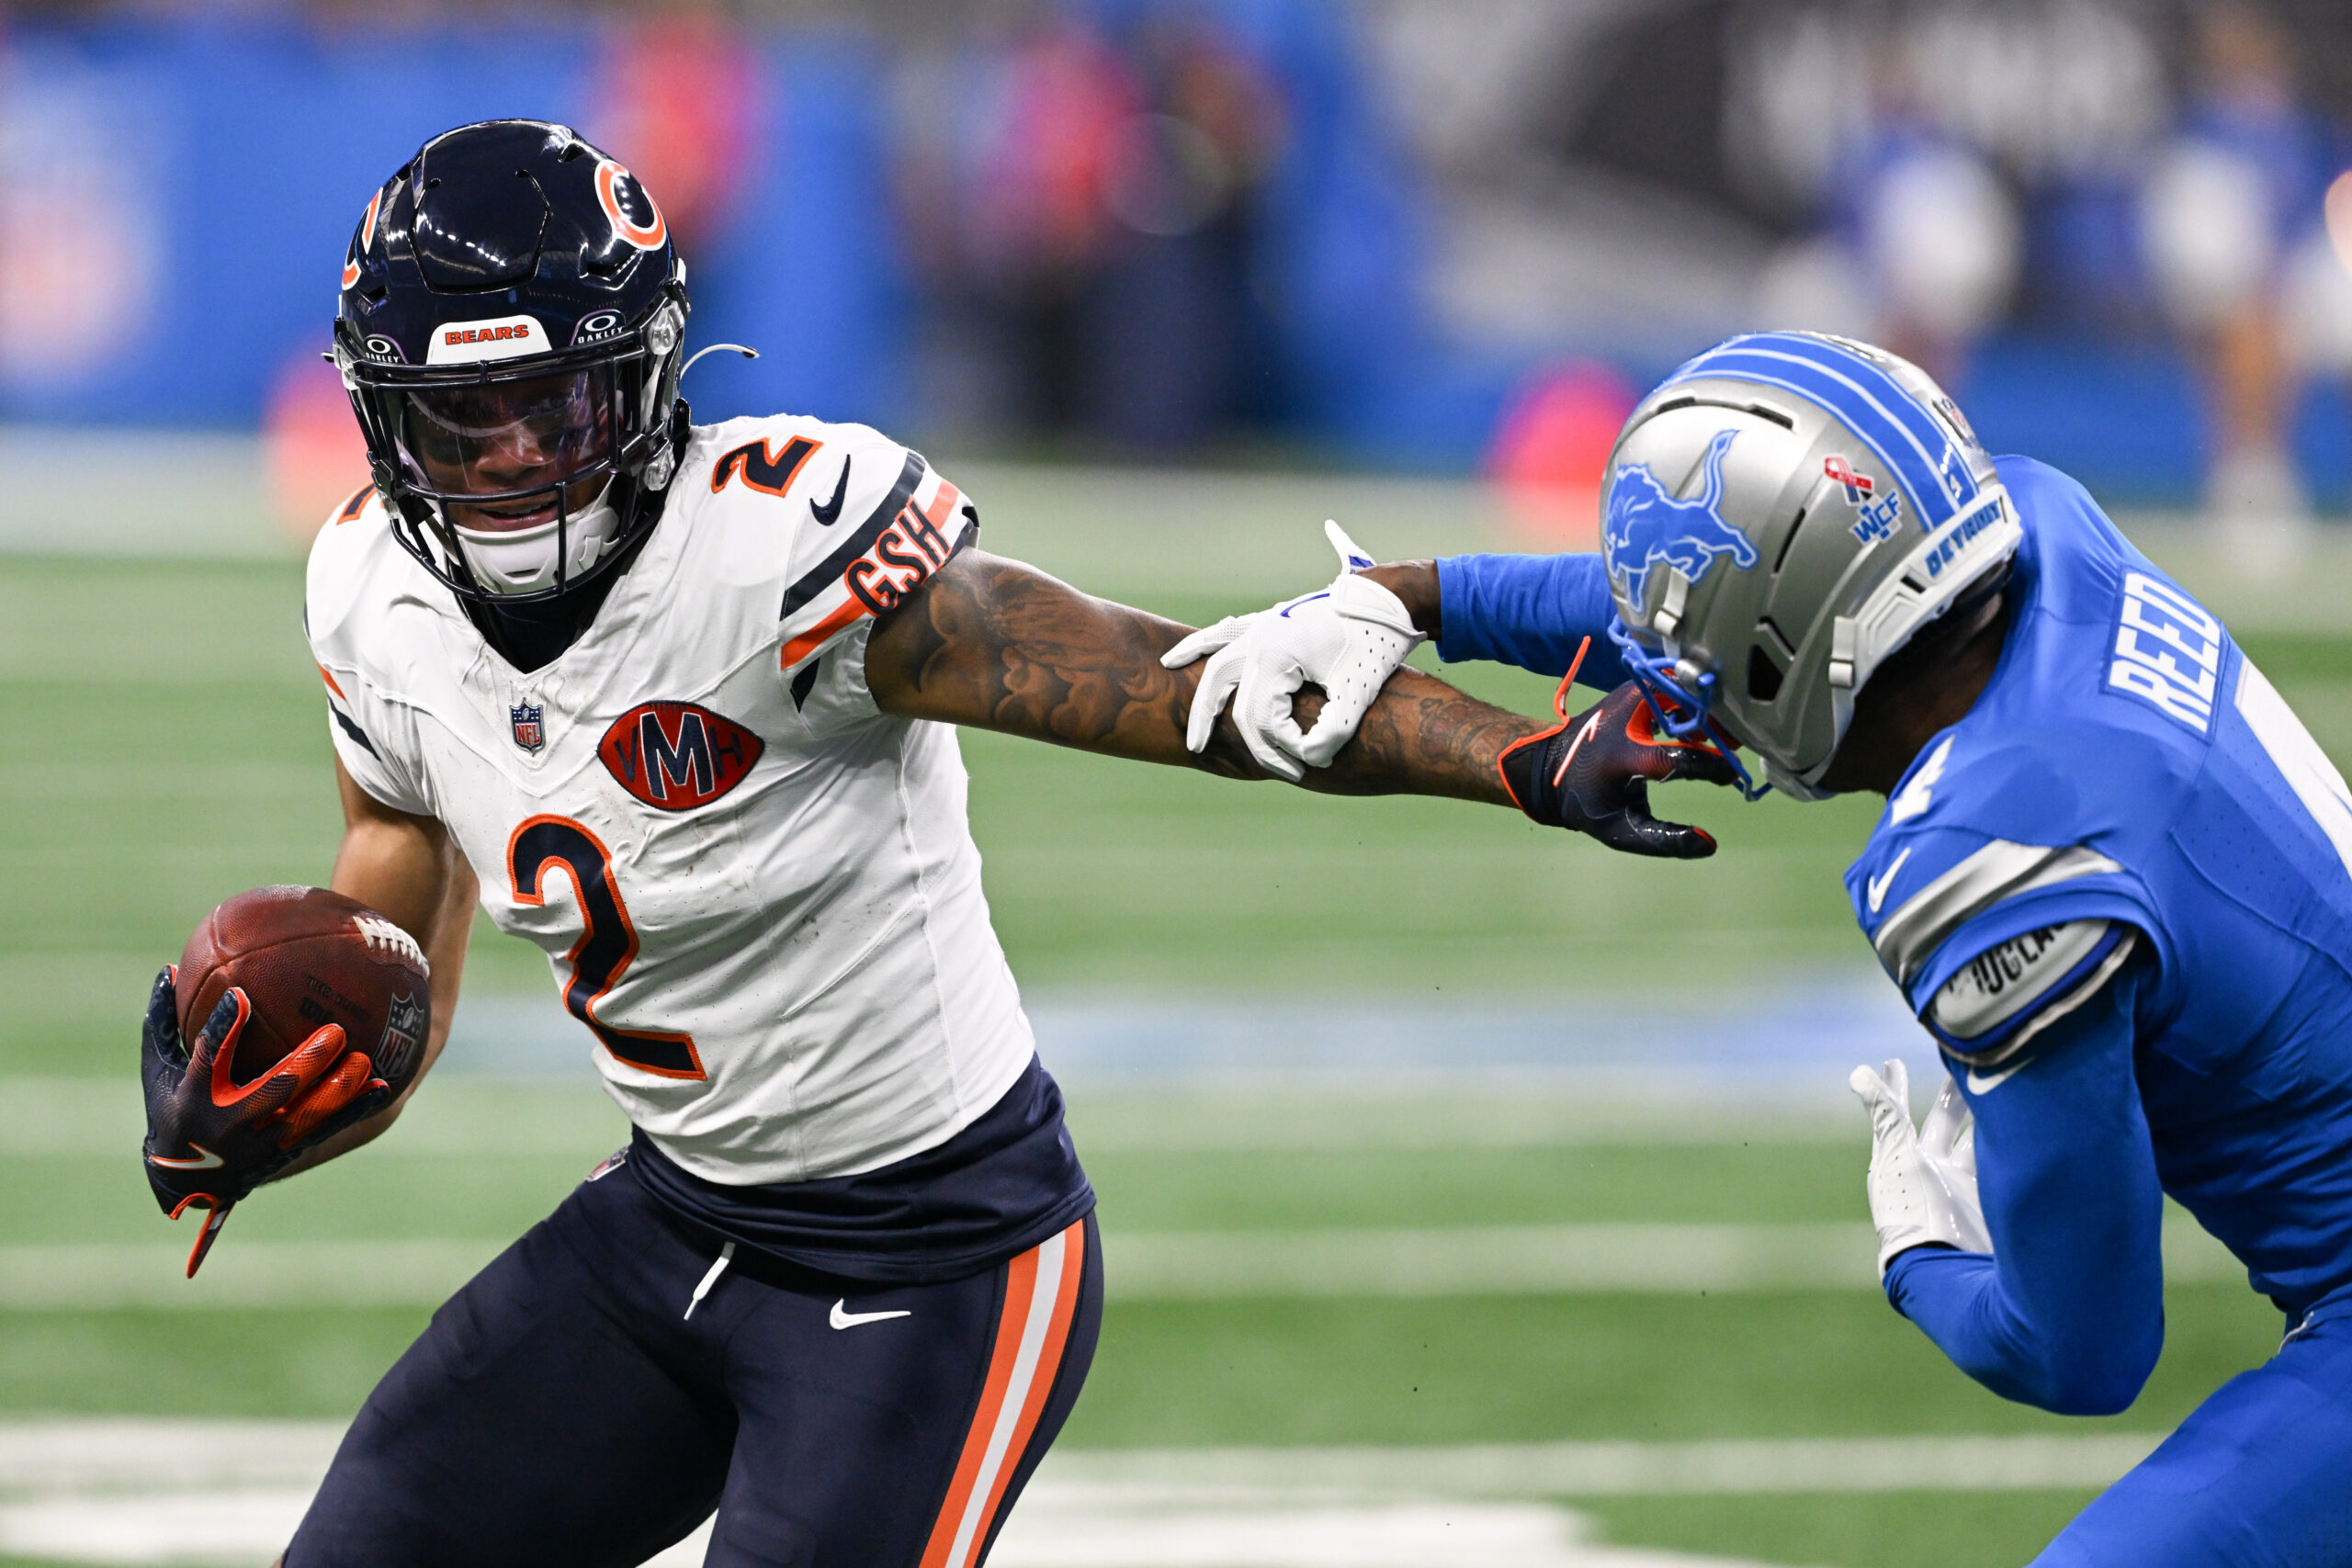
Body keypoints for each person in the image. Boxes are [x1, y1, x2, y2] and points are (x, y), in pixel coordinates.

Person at [130, 119, 1726, 1568]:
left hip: (935, 1259)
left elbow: (1180, 690)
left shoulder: (771, 551)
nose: (509, 465)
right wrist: (321, 1054)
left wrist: (1518, 755)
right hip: (673, 1214)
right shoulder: (370, 591)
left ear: (648, 378)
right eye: (459, 420)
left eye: (552, 408)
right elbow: (399, 857)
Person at [1172, 329, 2352, 1562]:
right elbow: (1767, 610)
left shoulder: (1993, 860)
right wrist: (1413, 597)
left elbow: (2082, 1349)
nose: (1679, 686)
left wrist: (1927, 1256)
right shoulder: (2047, 535)